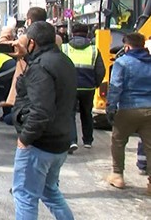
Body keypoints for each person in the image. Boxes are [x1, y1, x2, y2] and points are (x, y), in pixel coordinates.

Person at [11, 21, 76, 219]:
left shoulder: (40, 68)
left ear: (32, 42)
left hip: (40, 145)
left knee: (24, 196)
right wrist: (25, 59)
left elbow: (41, 111)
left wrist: (25, 139)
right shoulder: (64, 61)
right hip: (60, 142)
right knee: (50, 192)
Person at [105, 32, 151, 194]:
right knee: (149, 146)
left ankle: (118, 175)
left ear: (127, 46)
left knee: (118, 140)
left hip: (128, 108)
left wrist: (110, 108)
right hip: (149, 109)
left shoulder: (122, 62)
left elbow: (116, 87)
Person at [60, 23, 105, 154]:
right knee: (87, 114)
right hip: (88, 88)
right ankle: (88, 141)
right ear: (87, 34)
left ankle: (72, 141)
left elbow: (60, 67)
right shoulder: (94, 50)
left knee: (69, 114)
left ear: (72, 33)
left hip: (70, 87)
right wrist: (95, 84)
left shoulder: (64, 48)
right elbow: (100, 70)